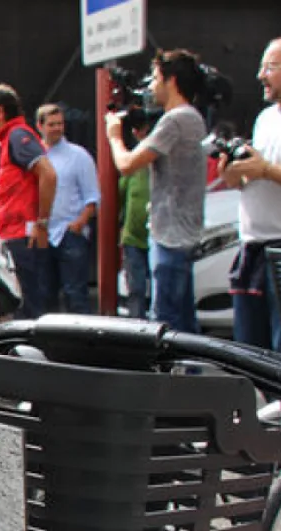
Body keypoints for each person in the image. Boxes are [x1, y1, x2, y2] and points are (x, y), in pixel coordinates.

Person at [106, 49, 207, 334]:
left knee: (166, 322)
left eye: (155, 78)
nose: (150, 86)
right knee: (184, 323)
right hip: (178, 233)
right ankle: (191, 376)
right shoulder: (191, 117)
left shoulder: (175, 120)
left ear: (171, 81)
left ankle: (172, 378)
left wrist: (114, 136)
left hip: (171, 237)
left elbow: (126, 164)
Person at [220, 37, 281, 353]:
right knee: (250, 354)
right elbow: (255, 175)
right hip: (252, 248)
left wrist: (265, 170)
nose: (261, 75)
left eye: (270, 67)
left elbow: (266, 170)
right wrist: (234, 175)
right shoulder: (265, 118)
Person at [0, 84, 58, 319]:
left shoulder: (18, 135)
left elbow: (48, 174)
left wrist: (41, 223)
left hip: (22, 236)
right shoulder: (9, 139)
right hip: (15, 234)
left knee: (27, 309)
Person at [36, 104, 99, 314]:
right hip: (42, 233)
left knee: (76, 296)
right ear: (39, 126)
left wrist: (79, 223)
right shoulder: (34, 156)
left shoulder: (79, 155)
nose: (56, 128)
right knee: (44, 296)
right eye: (51, 124)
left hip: (69, 234)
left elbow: (92, 196)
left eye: (60, 124)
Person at [119, 111, 153, 320]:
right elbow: (120, 196)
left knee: (159, 292)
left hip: (159, 237)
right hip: (133, 238)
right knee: (136, 290)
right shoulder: (131, 165)